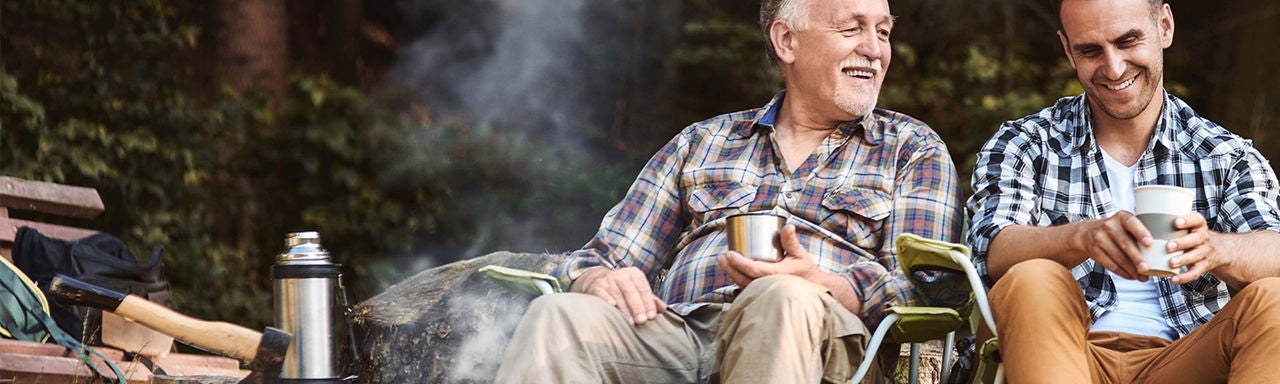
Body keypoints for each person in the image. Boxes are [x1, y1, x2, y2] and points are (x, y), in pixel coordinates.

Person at [494, 0, 964, 382]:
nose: (874, 49)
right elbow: (605, 256)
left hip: (824, 337)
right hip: (682, 332)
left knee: (781, 296)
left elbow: (931, 286)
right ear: (787, 40)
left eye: (882, 32)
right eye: (852, 28)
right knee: (559, 315)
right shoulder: (703, 142)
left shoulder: (911, 149)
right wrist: (599, 280)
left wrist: (832, 287)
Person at [967, 0, 1280, 382]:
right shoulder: (1026, 143)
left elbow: (1274, 249)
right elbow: (995, 251)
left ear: (1164, 27)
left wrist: (1215, 248)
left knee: (1275, 300)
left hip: (1184, 361)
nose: (1114, 68)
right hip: (1060, 351)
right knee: (1032, 276)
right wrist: (1082, 237)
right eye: (1090, 50)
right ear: (1068, 50)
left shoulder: (1226, 155)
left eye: (1128, 41)